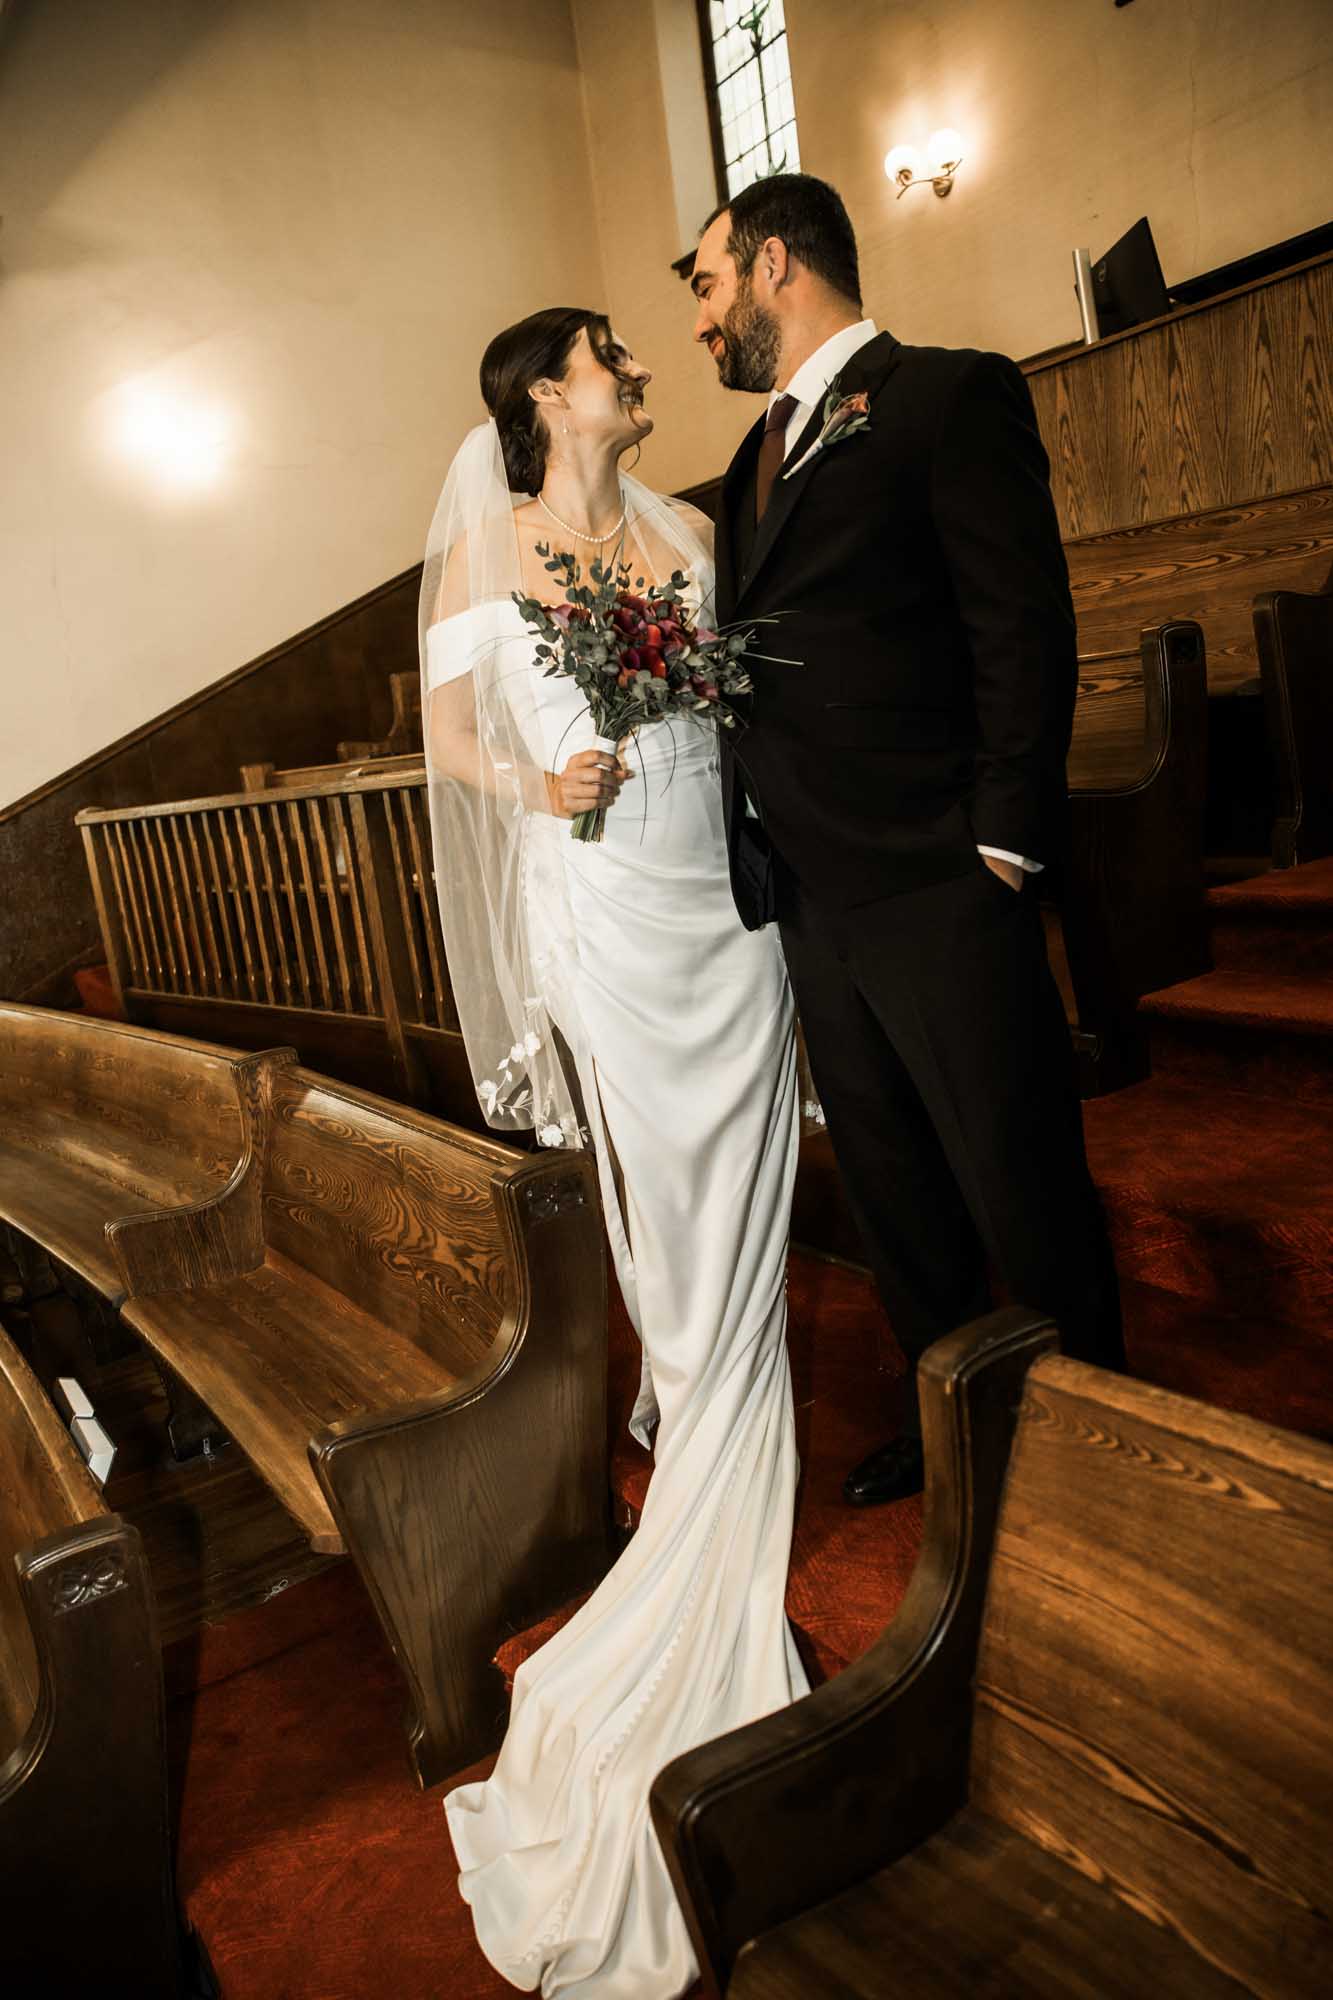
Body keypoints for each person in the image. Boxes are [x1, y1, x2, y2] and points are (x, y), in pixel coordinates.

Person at [420, 308, 806, 1997]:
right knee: (672, 1215)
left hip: (725, 910)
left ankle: (730, 1462)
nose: (635, 366)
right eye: (604, 353)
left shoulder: (693, 540)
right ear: (540, 393)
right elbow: (451, 737)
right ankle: (707, 1497)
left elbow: (737, 714)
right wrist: (540, 781)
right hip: (605, 909)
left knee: (748, 1193)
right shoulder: (485, 548)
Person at [692, 172, 1125, 1507]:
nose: (701, 320)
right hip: (810, 886)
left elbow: (1020, 625)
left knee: (1014, 1169)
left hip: (939, 871)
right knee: (891, 1183)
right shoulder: (746, 466)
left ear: (774, 263)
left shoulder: (945, 395)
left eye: (707, 284)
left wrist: (1002, 841)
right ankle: (957, 1422)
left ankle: (1096, 1448)